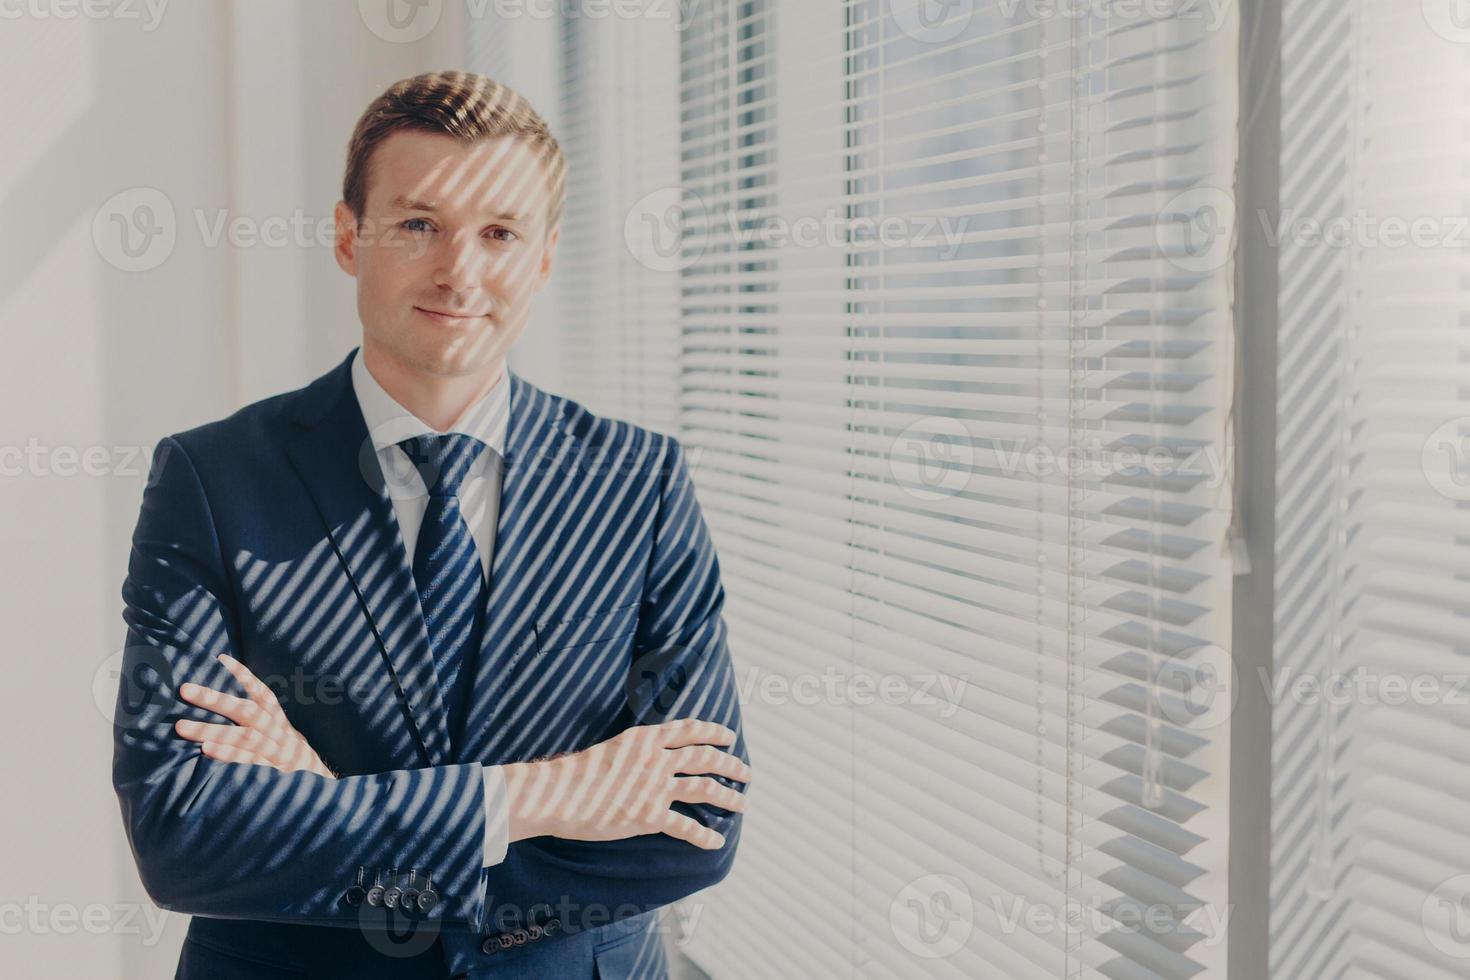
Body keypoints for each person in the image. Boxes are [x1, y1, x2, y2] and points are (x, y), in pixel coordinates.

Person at [111, 70, 750, 980]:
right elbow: (183, 833)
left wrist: (330, 807)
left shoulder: (638, 483)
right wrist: (531, 797)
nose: (460, 271)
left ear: (544, 257)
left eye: (500, 233)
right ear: (347, 237)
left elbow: (696, 829)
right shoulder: (214, 478)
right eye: (419, 224)